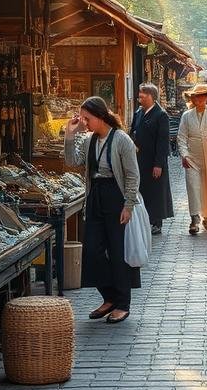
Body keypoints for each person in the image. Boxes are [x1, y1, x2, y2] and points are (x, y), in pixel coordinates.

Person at [64, 96, 142, 324]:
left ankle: (123, 303)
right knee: (92, 250)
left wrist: (128, 205)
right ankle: (109, 297)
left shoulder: (121, 140)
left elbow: (132, 175)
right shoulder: (90, 141)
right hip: (95, 196)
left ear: (100, 117)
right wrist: (70, 134)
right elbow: (72, 161)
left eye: (88, 119)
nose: (85, 123)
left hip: (115, 197)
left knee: (118, 252)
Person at [177, 83, 207, 235]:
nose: (199, 99)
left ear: (206, 97)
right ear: (192, 98)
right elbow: (181, 137)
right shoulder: (187, 116)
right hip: (192, 158)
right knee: (193, 187)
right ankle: (194, 218)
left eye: (202, 96)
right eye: (196, 96)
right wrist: (184, 154)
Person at [130, 83, 173, 234]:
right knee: (143, 189)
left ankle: (156, 221)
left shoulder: (160, 115)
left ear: (151, 97)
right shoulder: (139, 112)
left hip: (154, 160)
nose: (139, 99)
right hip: (140, 159)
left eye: (142, 97)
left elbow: (162, 141)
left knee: (156, 191)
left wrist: (159, 164)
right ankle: (145, 219)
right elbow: (132, 131)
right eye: (139, 96)